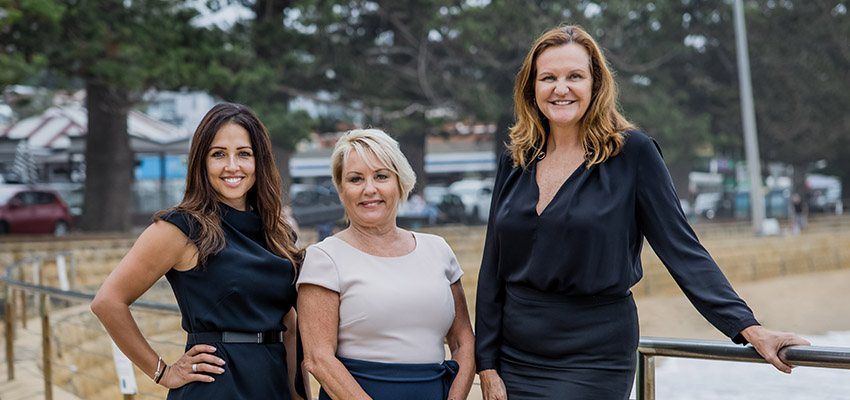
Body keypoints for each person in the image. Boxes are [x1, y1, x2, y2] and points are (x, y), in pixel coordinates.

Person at [474, 26, 810, 400]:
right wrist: (486, 363)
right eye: (548, 77)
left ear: (596, 84)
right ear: (531, 88)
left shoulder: (632, 153)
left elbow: (683, 251)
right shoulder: (516, 158)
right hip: (515, 357)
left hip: (594, 355)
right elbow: (493, 266)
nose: (561, 88)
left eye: (575, 76)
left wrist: (749, 328)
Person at [91, 103, 308, 400]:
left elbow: (290, 326)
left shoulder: (278, 233)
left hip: (274, 382)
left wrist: (300, 396)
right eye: (218, 154)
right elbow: (107, 302)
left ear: (259, 161)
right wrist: (163, 372)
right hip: (217, 385)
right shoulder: (180, 229)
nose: (232, 166)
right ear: (201, 162)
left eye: (243, 154)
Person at [297, 128, 475, 400]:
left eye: (381, 176)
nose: (370, 189)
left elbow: (463, 341)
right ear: (341, 189)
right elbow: (318, 358)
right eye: (356, 179)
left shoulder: (438, 250)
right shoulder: (324, 258)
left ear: (400, 181)